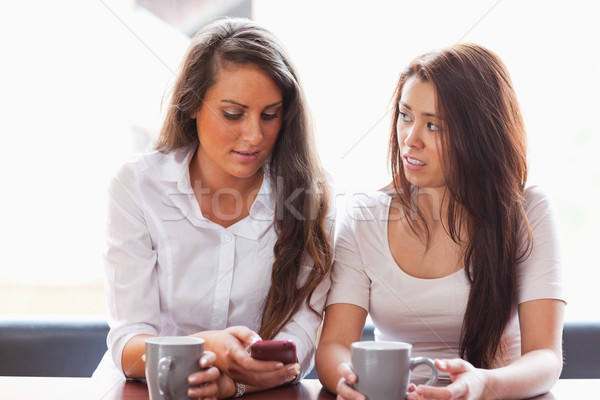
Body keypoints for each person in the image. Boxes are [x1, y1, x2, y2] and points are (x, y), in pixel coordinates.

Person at [94, 17, 334, 399]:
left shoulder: (310, 198)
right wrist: (207, 346)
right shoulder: (136, 185)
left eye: (270, 115)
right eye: (233, 114)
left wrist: (233, 384)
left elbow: (297, 345)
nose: (254, 135)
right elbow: (128, 345)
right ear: (192, 105)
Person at [315, 43, 565, 400]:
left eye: (433, 126)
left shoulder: (529, 212)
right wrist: (346, 378)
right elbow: (335, 344)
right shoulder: (364, 217)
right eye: (405, 115)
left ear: (480, 136)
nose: (410, 139)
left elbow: (545, 359)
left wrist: (483, 384)